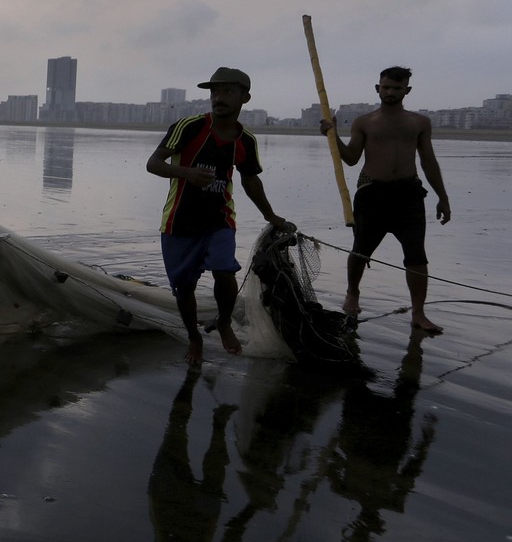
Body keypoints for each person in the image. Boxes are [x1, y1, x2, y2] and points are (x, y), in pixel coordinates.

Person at [146, 67, 290, 366]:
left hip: (219, 218)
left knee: (225, 270)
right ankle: (195, 338)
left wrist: (271, 215)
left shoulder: (246, 140)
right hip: (179, 219)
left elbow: (250, 181)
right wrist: (187, 173)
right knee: (184, 287)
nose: (218, 98)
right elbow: (154, 164)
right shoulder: (189, 126)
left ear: (244, 97)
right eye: (214, 92)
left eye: (227, 91)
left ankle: (224, 321)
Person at [319, 66, 450, 333]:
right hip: (372, 193)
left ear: (407, 90)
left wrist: (442, 197)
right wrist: (332, 136)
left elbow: (428, 161)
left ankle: (418, 313)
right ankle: (353, 292)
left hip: (408, 194)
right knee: (360, 249)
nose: (390, 92)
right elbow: (352, 158)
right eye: (386, 87)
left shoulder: (419, 123)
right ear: (377, 88)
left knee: (416, 254)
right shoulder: (365, 122)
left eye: (396, 88)